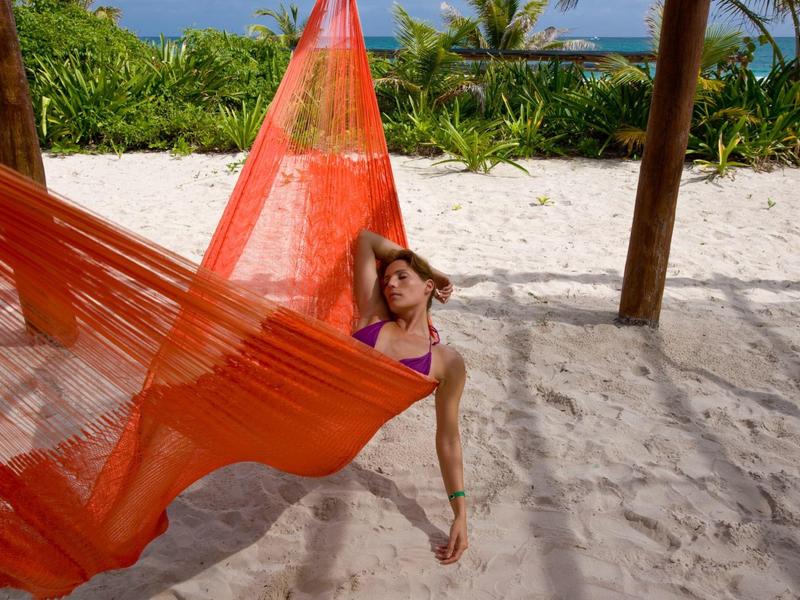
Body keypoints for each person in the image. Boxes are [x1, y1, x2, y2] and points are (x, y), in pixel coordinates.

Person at [352, 229, 468, 565]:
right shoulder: (373, 315)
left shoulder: (445, 361)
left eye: (403, 277)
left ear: (427, 287)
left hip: (332, 435)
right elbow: (366, 239)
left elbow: (448, 438)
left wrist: (459, 512)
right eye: (386, 279)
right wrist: (435, 270)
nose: (390, 285)